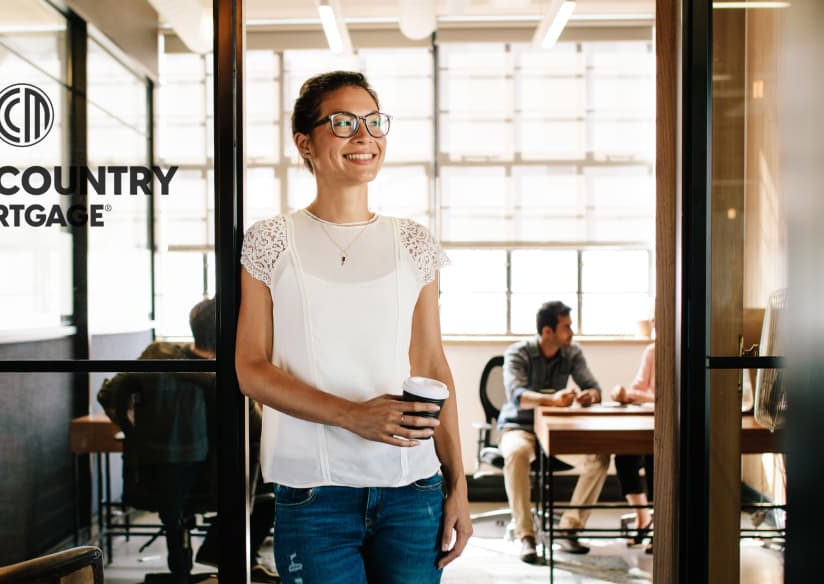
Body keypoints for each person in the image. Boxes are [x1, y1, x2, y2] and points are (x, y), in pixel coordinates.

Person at [236, 70, 472, 584]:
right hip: (314, 495)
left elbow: (432, 364)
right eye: (343, 123)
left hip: (413, 490)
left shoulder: (413, 241)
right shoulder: (271, 241)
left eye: (373, 121)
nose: (364, 135)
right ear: (306, 142)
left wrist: (458, 483)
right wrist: (350, 415)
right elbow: (251, 370)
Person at [98, 298, 279, 582]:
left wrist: (137, 434)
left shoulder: (157, 355)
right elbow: (257, 430)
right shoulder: (228, 374)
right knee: (273, 488)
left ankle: (210, 558)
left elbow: (108, 396)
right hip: (216, 482)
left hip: (161, 473)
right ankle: (229, 552)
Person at [497, 300, 606, 562]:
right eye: (566, 327)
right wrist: (553, 399)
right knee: (516, 453)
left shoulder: (572, 353)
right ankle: (526, 536)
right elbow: (517, 397)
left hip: (558, 429)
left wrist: (587, 396)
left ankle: (570, 528)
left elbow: (594, 388)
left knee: (598, 458)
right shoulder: (518, 353)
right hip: (519, 427)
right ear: (548, 332)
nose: (571, 332)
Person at [610, 342, 655, 550]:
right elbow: (637, 389)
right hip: (649, 420)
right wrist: (622, 394)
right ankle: (643, 517)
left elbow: (677, 396)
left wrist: (642, 396)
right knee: (624, 455)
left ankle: (662, 524)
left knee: (658, 458)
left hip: (677, 424)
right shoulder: (652, 351)